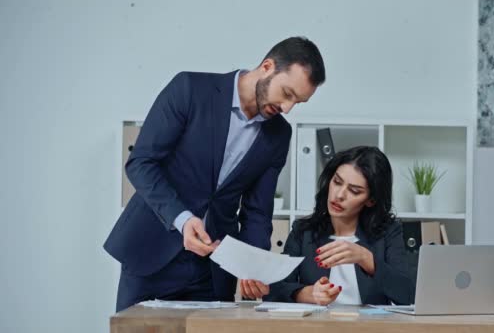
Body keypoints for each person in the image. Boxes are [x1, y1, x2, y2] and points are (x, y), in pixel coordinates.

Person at [103, 37, 326, 311]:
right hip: (151, 252)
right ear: (267, 67)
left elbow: (257, 212)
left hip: (212, 270)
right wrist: (183, 220)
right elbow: (141, 163)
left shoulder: (279, 134)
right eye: (287, 93)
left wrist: (252, 265)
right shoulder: (190, 89)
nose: (288, 108)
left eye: (298, 102)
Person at [266, 146, 414, 305]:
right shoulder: (303, 231)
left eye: (354, 191)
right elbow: (273, 290)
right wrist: (306, 294)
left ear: (371, 200)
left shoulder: (388, 232)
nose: (339, 195)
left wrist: (365, 258)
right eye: (337, 182)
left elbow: (408, 295)